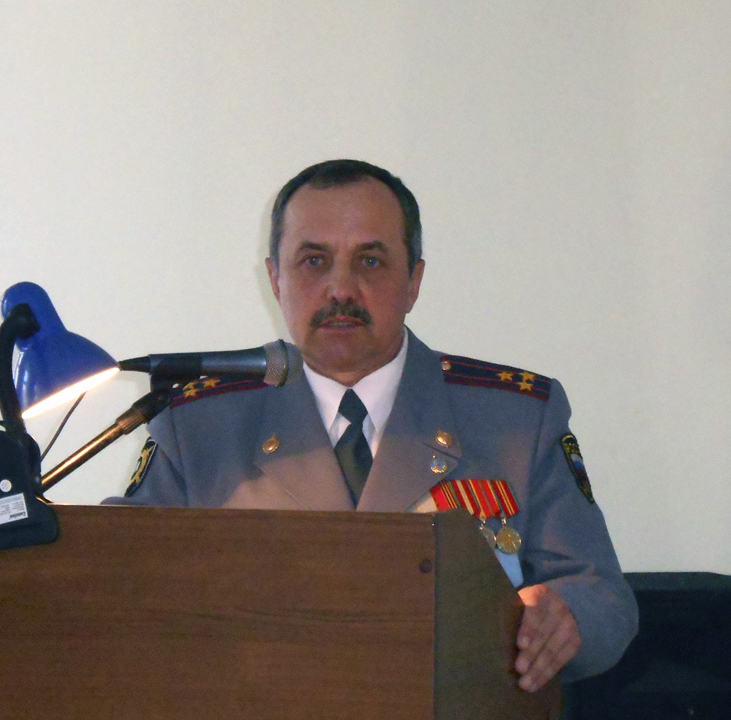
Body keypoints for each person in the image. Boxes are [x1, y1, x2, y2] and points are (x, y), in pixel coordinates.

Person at [108, 159, 637, 689]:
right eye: (313, 261)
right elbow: (115, 579)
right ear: (275, 280)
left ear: (414, 282)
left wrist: (565, 617)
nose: (341, 288)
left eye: (370, 261)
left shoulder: (517, 418)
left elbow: (602, 597)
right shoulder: (197, 425)